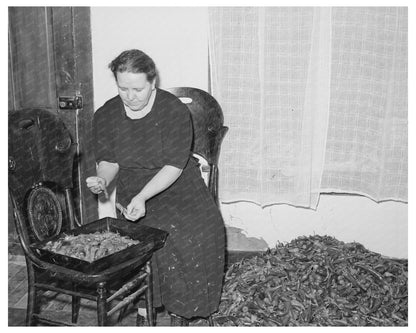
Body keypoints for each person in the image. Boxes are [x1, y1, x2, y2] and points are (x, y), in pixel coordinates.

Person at [86, 49, 225, 325]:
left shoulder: (173, 110)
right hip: (133, 189)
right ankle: (145, 306)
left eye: (138, 88)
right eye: (123, 88)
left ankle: (183, 310)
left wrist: (144, 196)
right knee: (153, 244)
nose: (130, 96)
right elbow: (109, 160)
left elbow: (174, 166)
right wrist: (103, 178)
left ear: (153, 82)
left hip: (178, 185)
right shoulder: (107, 114)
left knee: (201, 235)